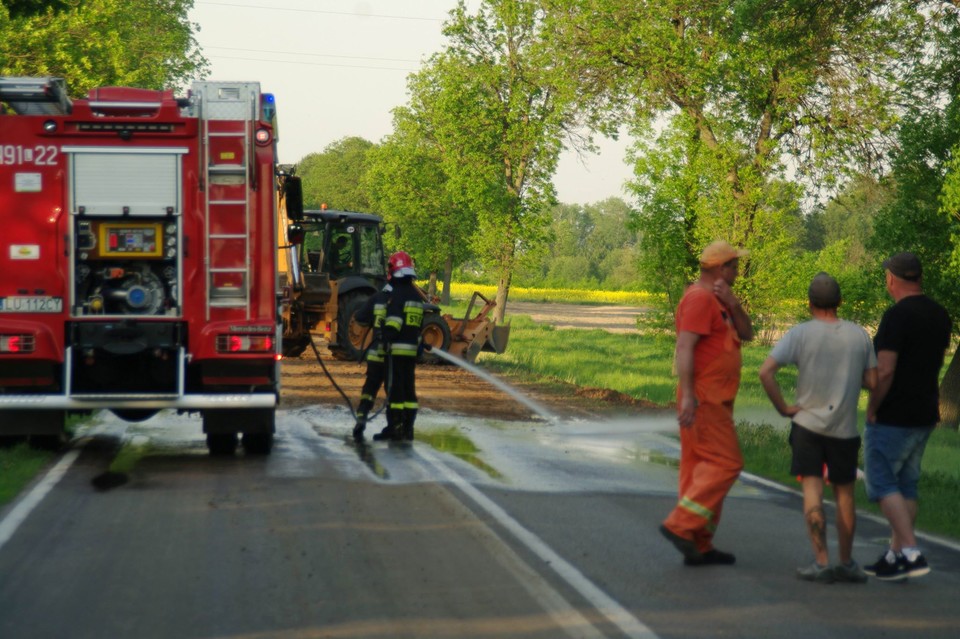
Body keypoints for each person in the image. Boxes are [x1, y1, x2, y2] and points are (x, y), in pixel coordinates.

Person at [758, 272, 877, 584]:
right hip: (844, 429)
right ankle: (847, 562)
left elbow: (766, 372)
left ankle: (822, 562)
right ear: (839, 302)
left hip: (807, 426)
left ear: (809, 303)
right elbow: (874, 381)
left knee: (812, 491)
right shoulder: (859, 335)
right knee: (845, 495)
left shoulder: (800, 334)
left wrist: (784, 408)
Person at [660, 240, 752, 566]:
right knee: (727, 464)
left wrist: (735, 303)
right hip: (704, 399)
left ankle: (699, 544)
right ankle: (681, 525)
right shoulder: (699, 299)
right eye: (735, 266)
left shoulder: (720, 300)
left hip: (717, 398)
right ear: (720, 268)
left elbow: (748, 333)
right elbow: (685, 348)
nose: (739, 271)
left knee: (698, 470)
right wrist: (687, 396)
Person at [863, 252, 950, 581]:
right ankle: (895, 555)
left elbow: (885, 370)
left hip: (894, 414)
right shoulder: (940, 314)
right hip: (926, 410)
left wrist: (872, 406)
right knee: (906, 484)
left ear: (891, 279)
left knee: (882, 481)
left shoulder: (897, 316)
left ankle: (912, 551)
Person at [372, 251, 423, 442]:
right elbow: (416, 325)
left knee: (394, 390)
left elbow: (394, 321)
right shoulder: (416, 297)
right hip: (410, 352)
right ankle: (408, 429)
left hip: (396, 351)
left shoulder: (398, 295)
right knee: (409, 391)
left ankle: (394, 428)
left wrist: (385, 337)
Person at [351, 283, 392, 442]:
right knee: (392, 393)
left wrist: (373, 321)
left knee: (369, 389)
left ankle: (361, 419)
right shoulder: (401, 300)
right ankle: (392, 426)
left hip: (375, 356)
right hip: (392, 358)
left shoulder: (376, 298)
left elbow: (360, 318)